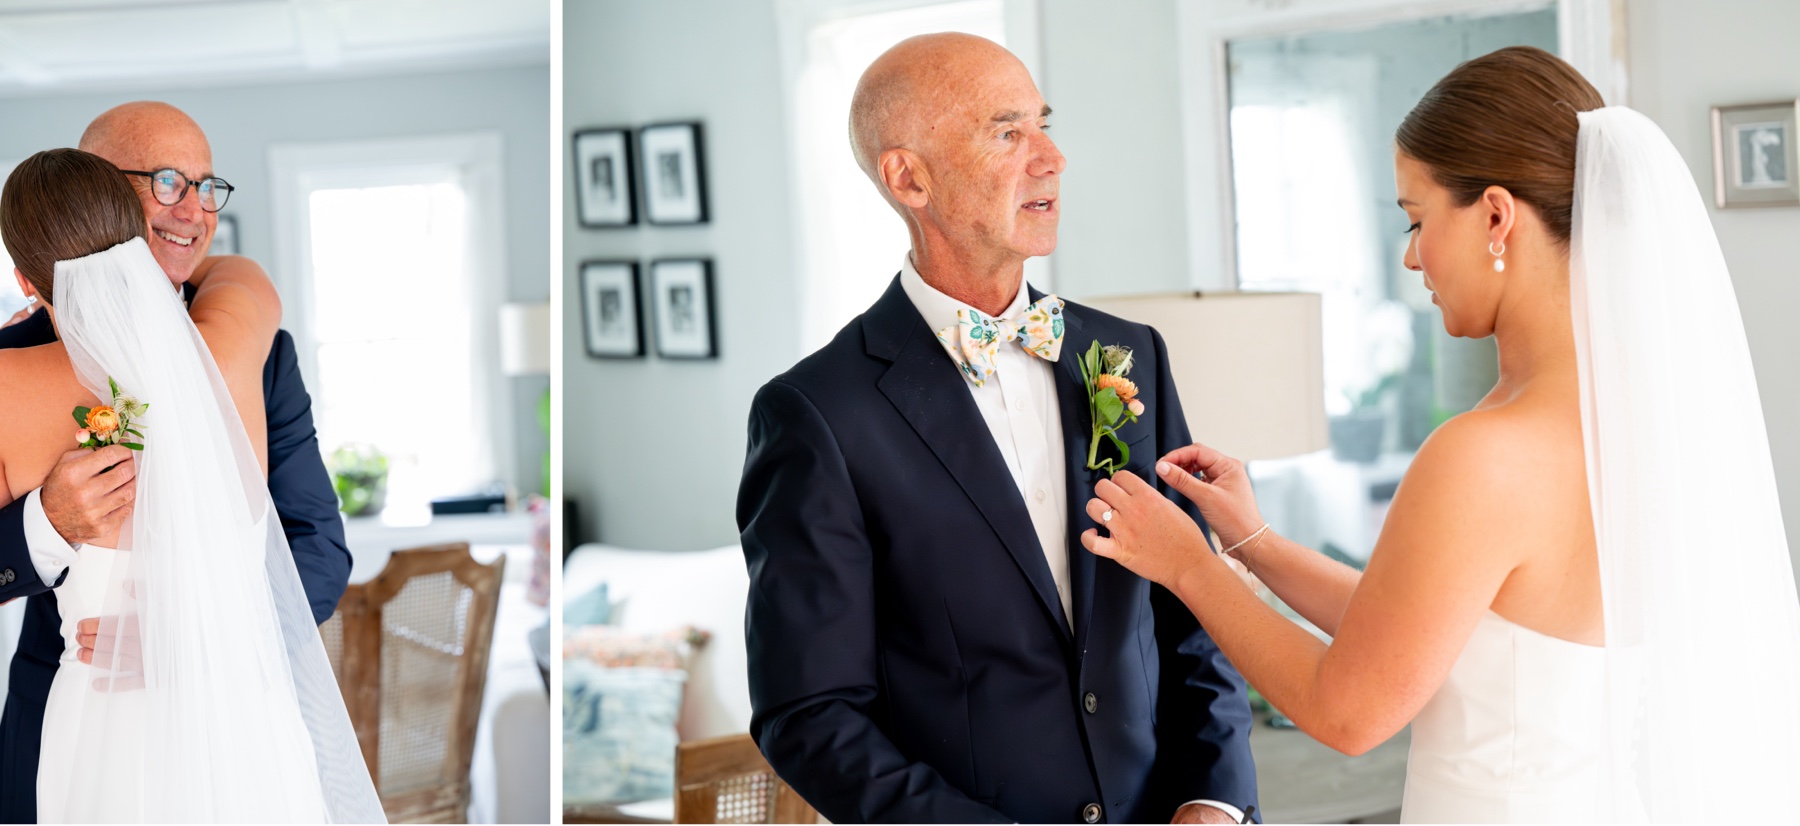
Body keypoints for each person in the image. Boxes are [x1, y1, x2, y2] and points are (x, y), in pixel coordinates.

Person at [1082, 46, 1800, 822]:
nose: (1411, 255)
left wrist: (1189, 566)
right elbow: (1436, 626)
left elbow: (1349, 711)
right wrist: (1252, 539)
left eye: (1419, 219)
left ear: (1495, 214)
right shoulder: (1631, 418)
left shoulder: (1487, 452)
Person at [737, 33, 1257, 824]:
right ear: (908, 176)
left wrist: (1213, 798)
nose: (1051, 158)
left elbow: (1192, 612)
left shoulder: (1125, 355)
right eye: (1008, 132)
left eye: (1043, 124)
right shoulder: (816, 416)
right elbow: (810, 715)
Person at [0, 148, 381, 822]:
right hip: (247, 731)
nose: (192, 207)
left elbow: (318, 550)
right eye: (169, 187)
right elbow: (245, 274)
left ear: (26, 282)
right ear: (140, 241)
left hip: (105, 727)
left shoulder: (10, 392)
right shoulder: (234, 347)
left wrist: (193, 635)